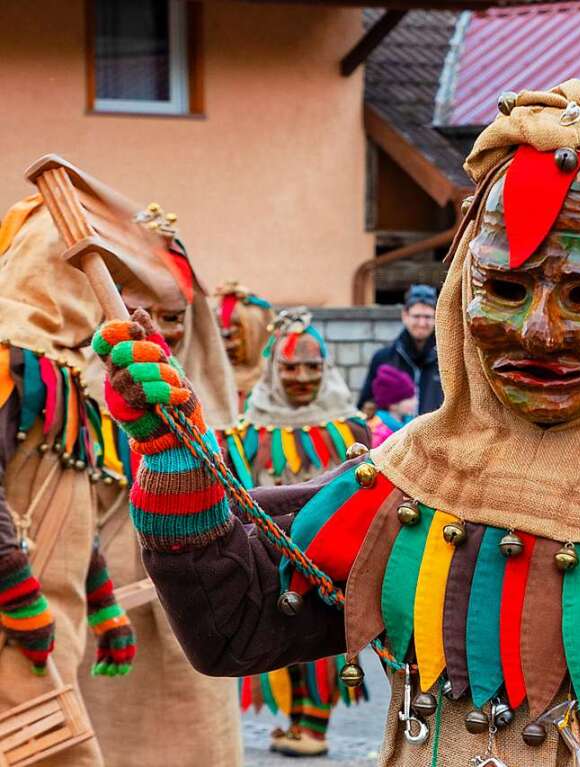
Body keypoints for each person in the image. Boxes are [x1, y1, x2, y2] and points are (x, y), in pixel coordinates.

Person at [94, 80, 580, 765]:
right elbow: (240, 628)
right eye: (504, 286)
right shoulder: (416, 477)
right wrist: (170, 451)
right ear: (463, 289)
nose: (537, 331)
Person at [77, 203, 244, 767]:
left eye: (174, 317)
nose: (160, 330)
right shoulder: (68, 396)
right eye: (140, 311)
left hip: (194, 612)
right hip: (103, 614)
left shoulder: (208, 397)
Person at [0, 193, 137, 767]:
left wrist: (102, 603)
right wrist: (20, 601)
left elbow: (70, 492)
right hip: (14, 624)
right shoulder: (10, 363)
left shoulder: (67, 374)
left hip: (53, 626)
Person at [225, 309, 370, 756]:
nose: (302, 377)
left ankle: (314, 726)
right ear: (274, 370)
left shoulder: (351, 427)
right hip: (267, 555)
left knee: (322, 639)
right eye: (291, 367)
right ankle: (296, 721)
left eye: (313, 367)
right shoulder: (243, 432)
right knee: (275, 638)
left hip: (330, 554)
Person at [358, 284, 442, 415]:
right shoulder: (383, 358)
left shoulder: (446, 360)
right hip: (394, 433)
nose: (422, 323)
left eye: (427, 317)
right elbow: (365, 405)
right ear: (405, 316)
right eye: (416, 316)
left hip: (434, 434)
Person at [214, 281, 274, 409]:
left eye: (235, 335)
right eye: (221, 334)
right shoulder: (205, 389)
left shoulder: (277, 391)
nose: (227, 346)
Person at [367, 364, 416, 446]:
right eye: (408, 398)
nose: (414, 402)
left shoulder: (410, 423)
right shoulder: (377, 432)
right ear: (393, 405)